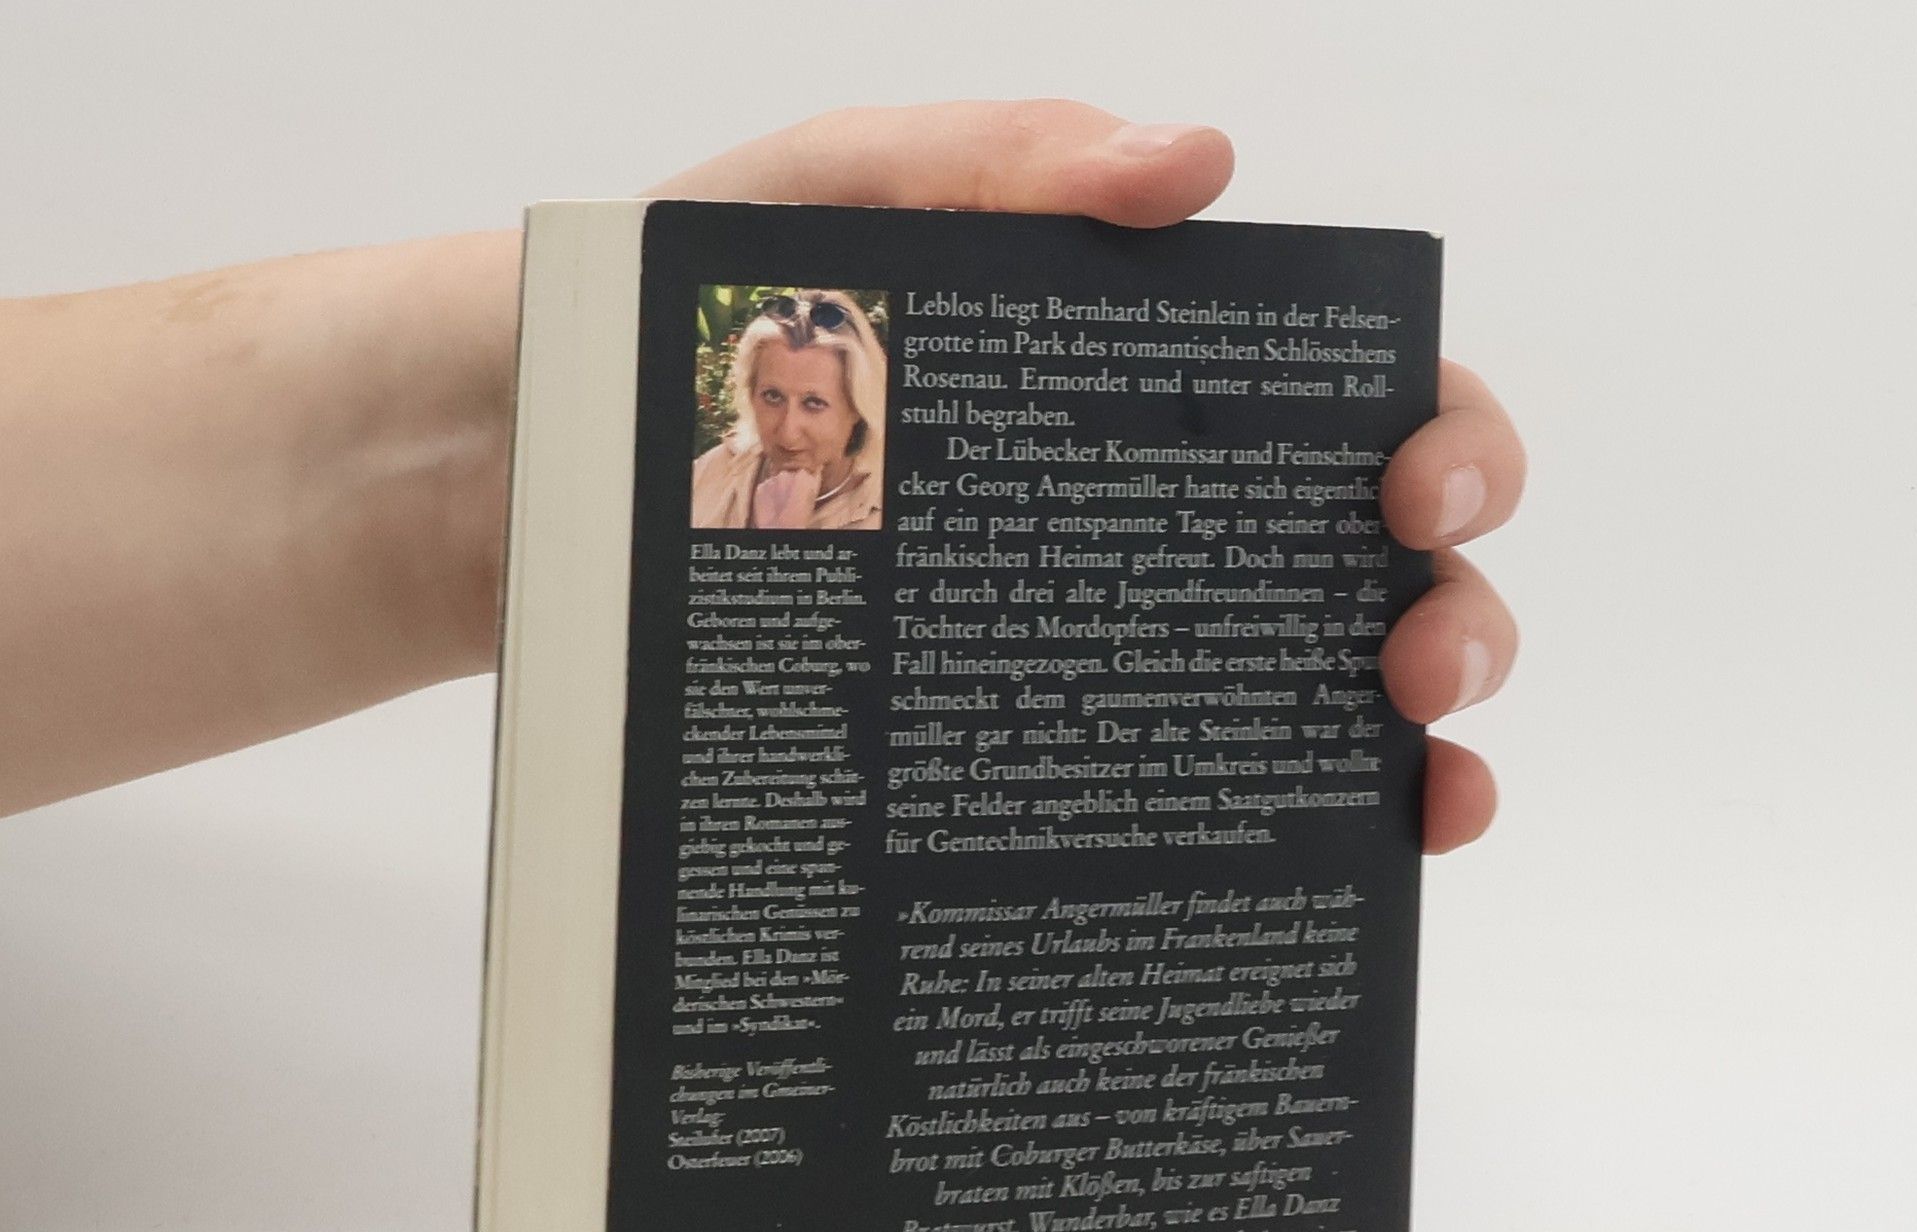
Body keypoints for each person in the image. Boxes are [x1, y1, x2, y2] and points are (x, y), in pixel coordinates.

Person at [0, 100, 1523, 843]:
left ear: (857, 419)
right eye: (771, 399)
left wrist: (501, 440)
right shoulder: (721, 493)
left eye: (815, 404)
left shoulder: (856, 500)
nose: (792, 424)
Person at [691, 289, 887, 530]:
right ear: (751, 394)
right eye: (773, 397)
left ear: (857, 407)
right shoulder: (712, 473)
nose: (788, 433)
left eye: (814, 403)